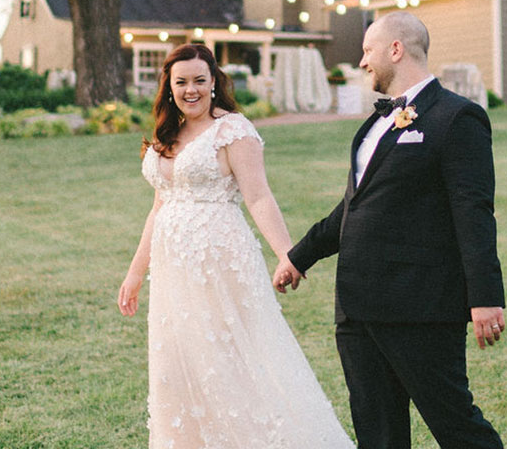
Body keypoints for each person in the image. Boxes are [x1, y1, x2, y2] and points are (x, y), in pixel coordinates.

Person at [274, 12, 507, 449]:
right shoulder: (374, 124)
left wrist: (486, 297)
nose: (362, 62)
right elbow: (354, 206)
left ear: (395, 50)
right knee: (376, 432)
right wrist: (298, 256)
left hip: (419, 304)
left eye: (367, 51)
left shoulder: (458, 119)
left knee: (456, 425)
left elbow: (474, 212)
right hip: (357, 307)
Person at [117, 43, 354, 449]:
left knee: (228, 361)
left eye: (199, 81)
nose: (190, 90)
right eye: (181, 82)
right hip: (173, 270)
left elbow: (259, 197)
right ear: (169, 87)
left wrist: (287, 254)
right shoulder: (166, 133)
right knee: (180, 362)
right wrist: (135, 273)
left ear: (214, 83)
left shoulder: (233, 130)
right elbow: (159, 208)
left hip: (220, 261)